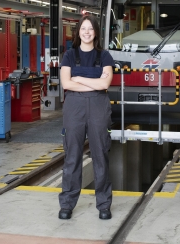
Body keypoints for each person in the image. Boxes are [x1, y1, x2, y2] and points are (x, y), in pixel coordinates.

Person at [58, 15, 114, 220]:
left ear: (96, 32)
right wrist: (94, 81)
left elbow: (104, 85)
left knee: (100, 155)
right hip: (74, 107)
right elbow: (66, 84)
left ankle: (104, 205)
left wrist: (79, 77)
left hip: (99, 106)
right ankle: (67, 204)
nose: (87, 32)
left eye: (91, 29)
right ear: (78, 32)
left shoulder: (105, 56)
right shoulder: (69, 56)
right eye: (83, 29)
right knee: (72, 156)